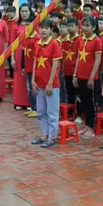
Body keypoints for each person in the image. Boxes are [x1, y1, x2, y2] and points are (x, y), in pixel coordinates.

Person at [31, 19, 62, 148]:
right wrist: (33, 80)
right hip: (39, 83)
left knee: (52, 112)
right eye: (41, 28)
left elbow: (55, 65)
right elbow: (35, 63)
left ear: (51, 30)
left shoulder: (54, 44)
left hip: (51, 84)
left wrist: (50, 83)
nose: (43, 30)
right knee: (41, 111)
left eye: (46, 28)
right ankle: (44, 134)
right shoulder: (37, 43)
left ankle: (52, 136)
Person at [73, 15, 102, 139]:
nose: (84, 28)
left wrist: (91, 77)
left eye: (87, 26)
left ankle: (92, 127)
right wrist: (75, 74)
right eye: (83, 25)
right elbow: (79, 58)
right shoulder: (81, 39)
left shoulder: (97, 41)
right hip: (80, 75)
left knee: (91, 103)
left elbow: (97, 60)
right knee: (83, 102)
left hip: (91, 77)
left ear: (94, 27)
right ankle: (85, 125)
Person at [11, 4, 33, 111]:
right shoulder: (15, 25)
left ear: (30, 12)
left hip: (30, 53)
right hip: (18, 53)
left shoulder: (34, 24)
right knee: (19, 79)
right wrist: (12, 58)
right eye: (22, 11)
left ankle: (30, 103)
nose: (24, 13)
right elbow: (12, 43)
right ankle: (18, 102)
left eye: (26, 11)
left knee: (28, 79)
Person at [64, 18, 81, 112]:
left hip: (76, 71)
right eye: (68, 26)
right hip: (67, 71)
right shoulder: (66, 41)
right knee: (69, 92)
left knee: (77, 94)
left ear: (77, 27)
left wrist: (76, 73)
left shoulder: (80, 40)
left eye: (72, 26)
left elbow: (79, 58)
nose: (69, 28)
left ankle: (78, 113)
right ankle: (70, 112)